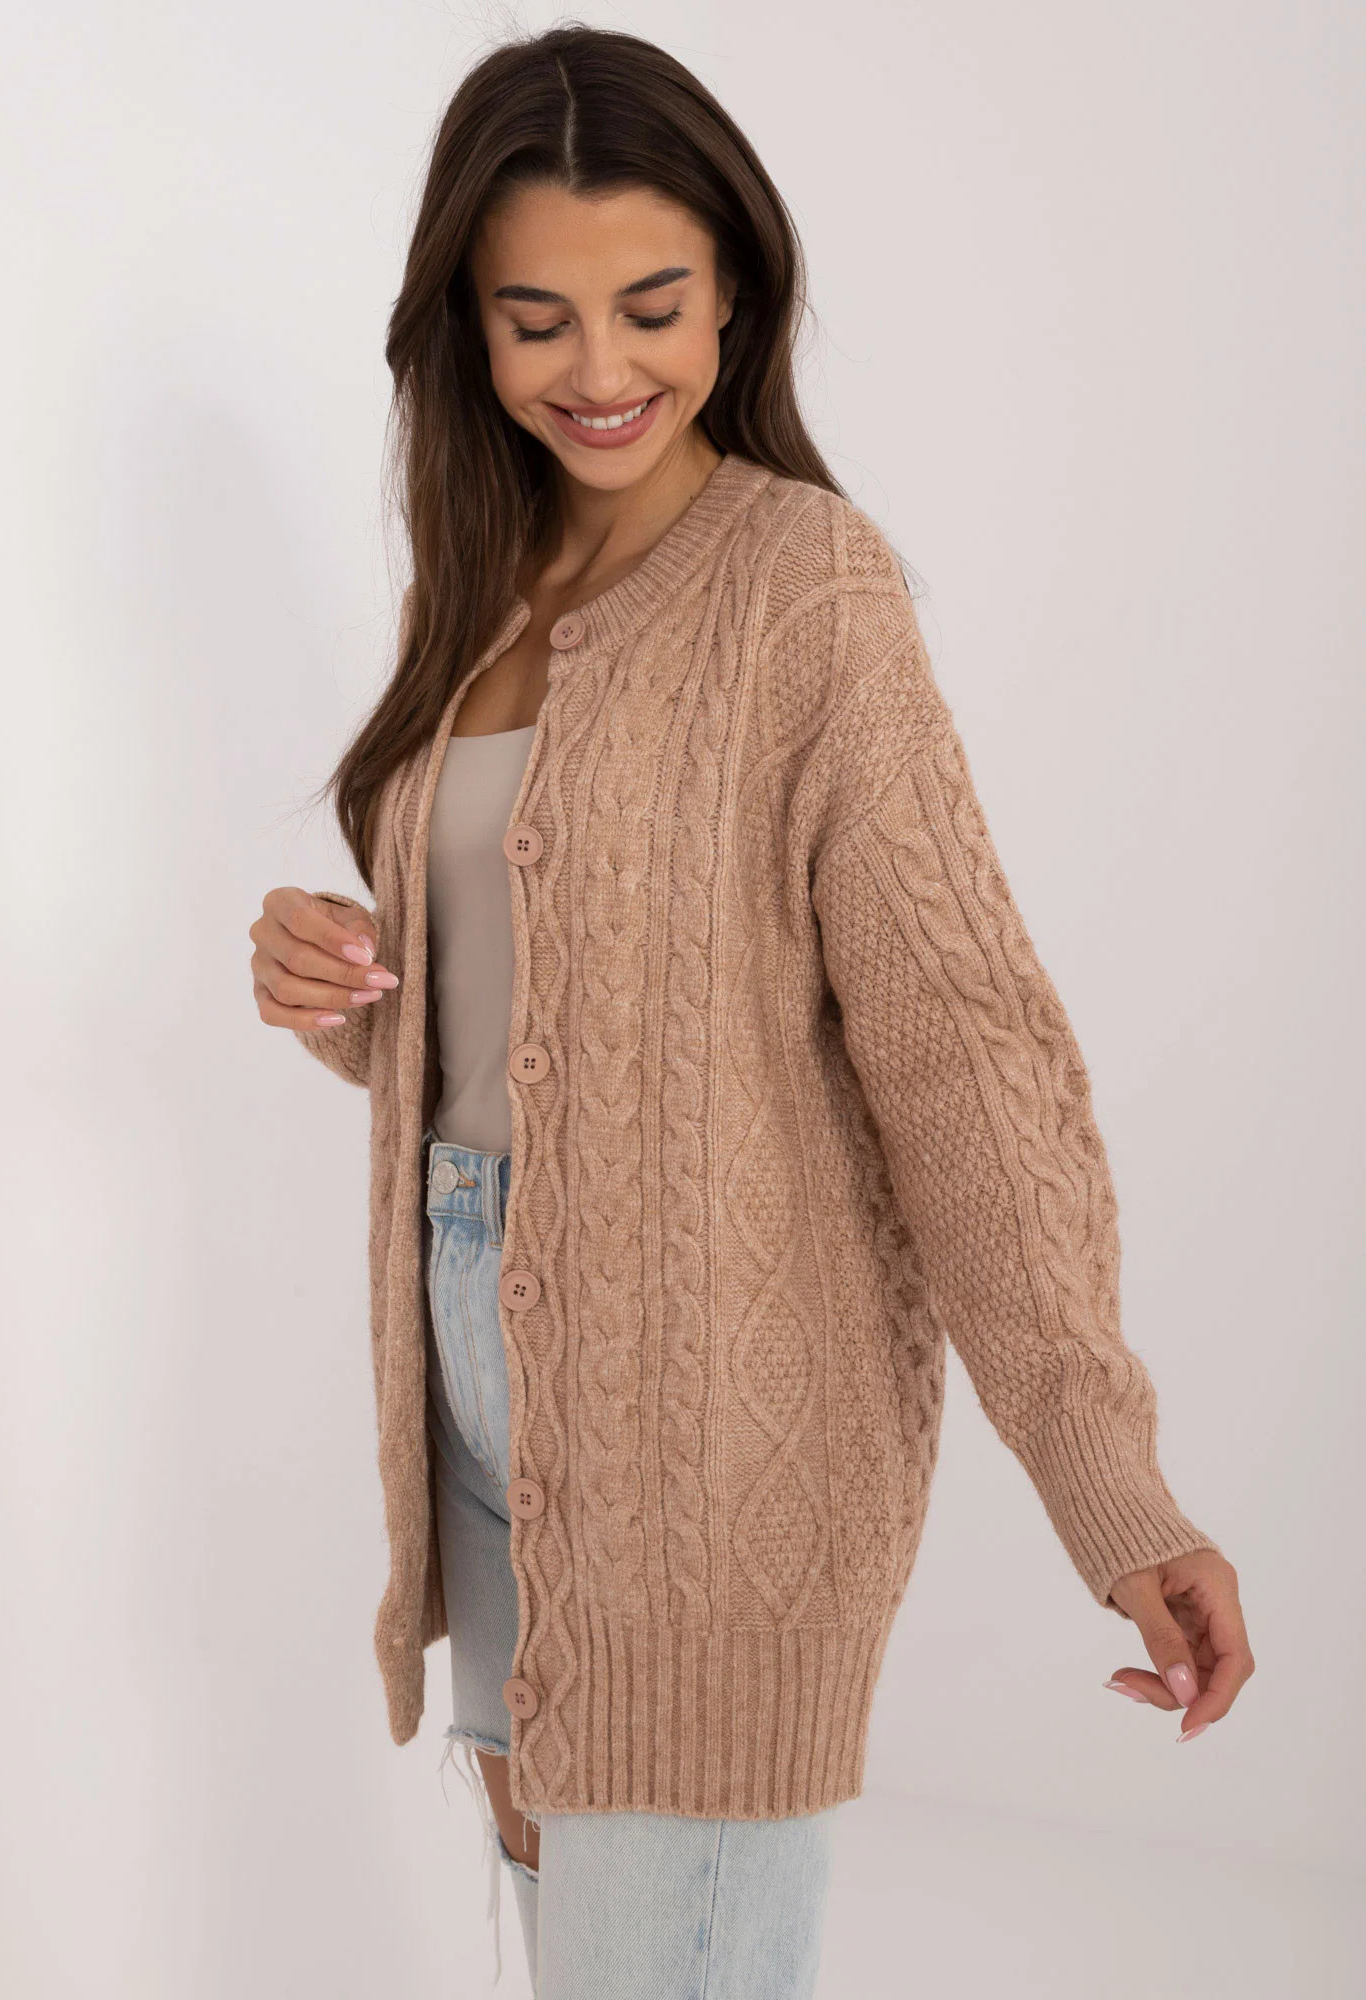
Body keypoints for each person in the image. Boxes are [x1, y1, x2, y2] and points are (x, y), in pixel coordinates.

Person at [249, 24, 1253, 1998]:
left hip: (713, 1419)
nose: (598, 370)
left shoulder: (807, 588)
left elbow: (960, 1051)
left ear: (737, 295)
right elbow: (563, 1016)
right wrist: (341, 993)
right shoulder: (485, 577)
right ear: (464, 323)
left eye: (652, 306)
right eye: (536, 318)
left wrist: (1107, 1476)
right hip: (472, 1385)